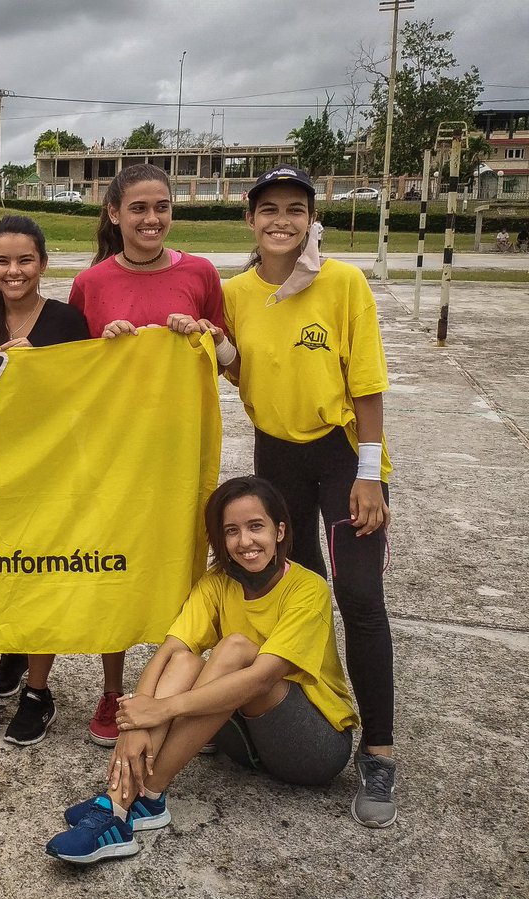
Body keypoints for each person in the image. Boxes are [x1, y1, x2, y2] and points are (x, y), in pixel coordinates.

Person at [175, 165, 397, 828]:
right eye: (268, 209)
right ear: (250, 219)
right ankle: (300, 703)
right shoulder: (237, 291)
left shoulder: (343, 282)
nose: (281, 220)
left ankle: (379, 751)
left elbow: (368, 384)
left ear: (311, 217)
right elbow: (244, 362)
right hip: (278, 454)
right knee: (294, 587)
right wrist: (208, 342)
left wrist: (367, 472)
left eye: (294, 209)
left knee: (358, 594)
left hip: (342, 453)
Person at [45, 477, 357, 864]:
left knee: (236, 648)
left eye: (256, 526)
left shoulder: (308, 589)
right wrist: (136, 721)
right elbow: (171, 650)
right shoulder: (216, 584)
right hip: (245, 741)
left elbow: (261, 678)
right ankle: (130, 802)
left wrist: (162, 710)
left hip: (312, 747)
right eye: (232, 531)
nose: (245, 541)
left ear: (280, 531)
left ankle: (131, 799)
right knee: (185, 659)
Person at [67, 163, 227, 748]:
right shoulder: (91, 283)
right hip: (113, 453)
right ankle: (114, 692)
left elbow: (233, 360)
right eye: (138, 208)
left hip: (181, 451)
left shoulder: (201, 272)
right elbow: (72, 373)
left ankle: (177, 695)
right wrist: (104, 350)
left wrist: (204, 334)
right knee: (114, 567)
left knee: (183, 568)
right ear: (115, 214)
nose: (151, 218)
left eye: (161, 206)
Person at [0, 215, 88, 744]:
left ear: (43, 263)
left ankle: (38, 690)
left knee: (38, 576)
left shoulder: (67, 321)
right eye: (3, 261)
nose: (14, 271)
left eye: (25, 260)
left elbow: (90, 396)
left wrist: (44, 371)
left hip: (47, 474)